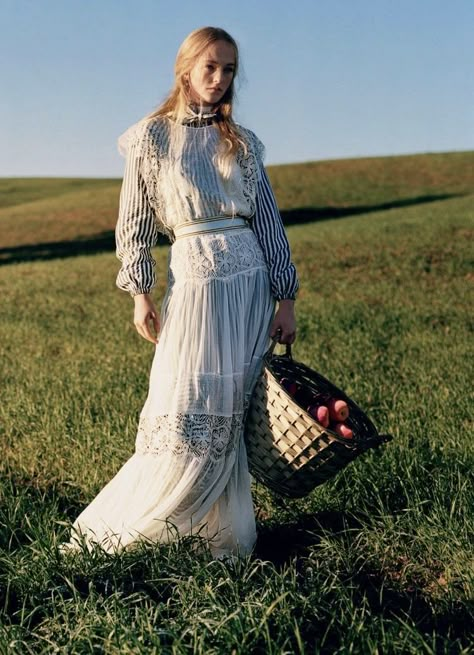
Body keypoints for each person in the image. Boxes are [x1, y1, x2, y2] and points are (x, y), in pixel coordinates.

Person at [61, 26, 299, 561]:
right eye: (210, 67)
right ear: (186, 69)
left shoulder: (243, 143)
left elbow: (269, 223)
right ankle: (163, 518)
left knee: (234, 404)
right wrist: (140, 292)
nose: (219, 79)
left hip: (250, 283)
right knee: (187, 397)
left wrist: (285, 298)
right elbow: (134, 222)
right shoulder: (152, 138)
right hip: (193, 281)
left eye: (230, 69)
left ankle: (223, 532)